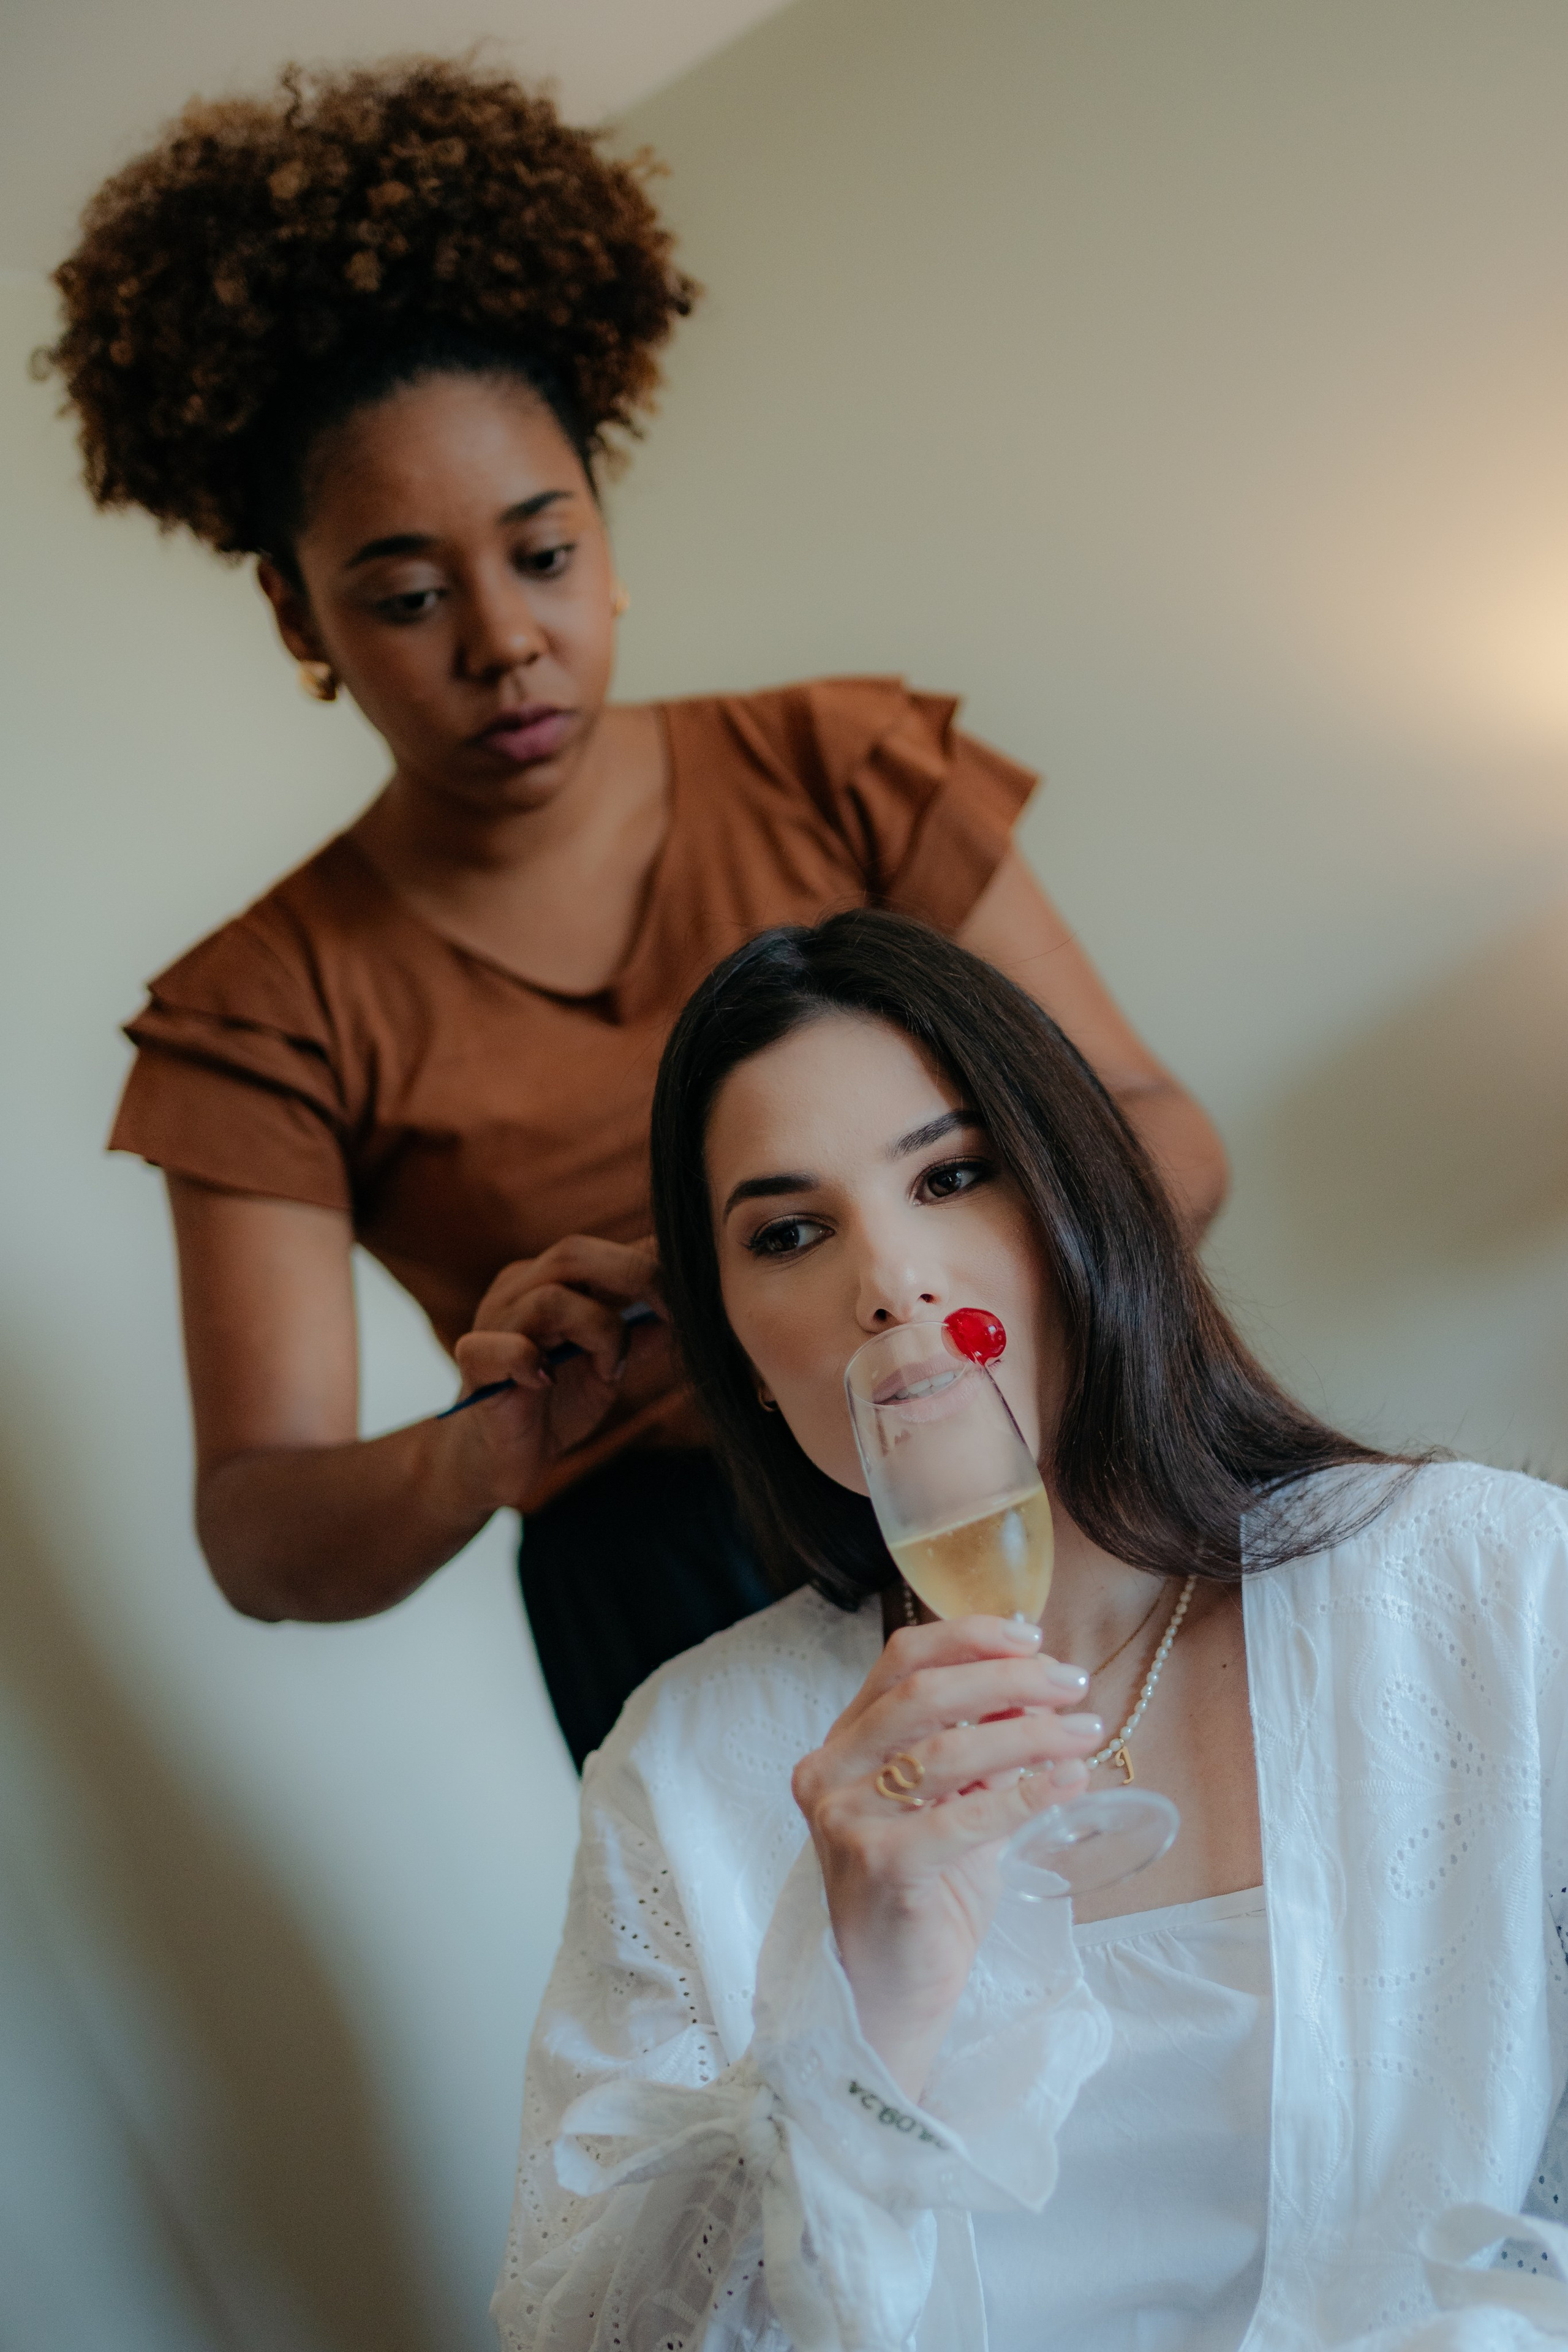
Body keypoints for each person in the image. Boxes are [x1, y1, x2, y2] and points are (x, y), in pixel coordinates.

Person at [48, 59, 1226, 1767]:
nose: (502, 640)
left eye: (540, 553)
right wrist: (488, 1443)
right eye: (403, 596)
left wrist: (864, 1283)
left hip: (1017, 1460)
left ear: (605, 546)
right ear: (300, 620)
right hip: (674, 1601)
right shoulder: (269, 1006)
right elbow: (263, 1533)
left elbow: (1166, 1144)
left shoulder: (843, 768)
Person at [491, 908, 1568, 2351]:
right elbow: (603, 2335)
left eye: (949, 1175)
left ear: (1079, 1210)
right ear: (740, 1354)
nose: (888, 1283)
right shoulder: (684, 1764)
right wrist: (856, 2014)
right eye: (790, 1232)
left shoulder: (1485, 1582)